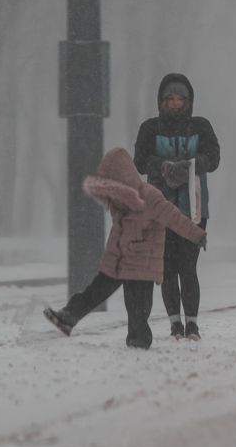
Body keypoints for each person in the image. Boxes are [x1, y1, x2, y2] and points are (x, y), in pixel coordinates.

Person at [43, 147, 207, 349]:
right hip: (118, 259)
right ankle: (68, 317)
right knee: (94, 292)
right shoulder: (118, 199)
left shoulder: (149, 196)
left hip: (142, 262)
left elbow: (174, 218)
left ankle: (139, 340)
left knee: (137, 305)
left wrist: (197, 235)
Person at [134, 73, 220, 340]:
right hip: (159, 207)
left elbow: (214, 159)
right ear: (160, 101)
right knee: (167, 268)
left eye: (180, 99)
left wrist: (190, 166)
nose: (174, 104)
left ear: (189, 101)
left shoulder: (201, 127)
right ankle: (175, 323)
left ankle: (192, 323)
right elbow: (139, 162)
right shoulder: (149, 129)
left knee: (188, 266)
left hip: (193, 208)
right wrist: (162, 167)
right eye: (169, 99)